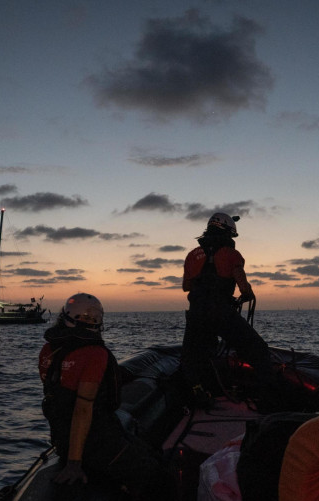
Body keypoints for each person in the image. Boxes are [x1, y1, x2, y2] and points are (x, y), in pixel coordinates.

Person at [38, 293, 166, 500]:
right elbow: (82, 409)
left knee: (143, 448)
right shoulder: (95, 354)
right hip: (95, 444)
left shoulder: (48, 350)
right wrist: (74, 464)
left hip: (61, 439)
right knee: (156, 472)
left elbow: (60, 394)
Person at [182, 212, 275, 408]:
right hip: (221, 313)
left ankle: (199, 396)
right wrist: (247, 293)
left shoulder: (192, 255)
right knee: (258, 350)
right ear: (228, 233)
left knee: (194, 358)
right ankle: (267, 400)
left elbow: (187, 287)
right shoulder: (232, 255)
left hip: (196, 314)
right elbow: (242, 283)